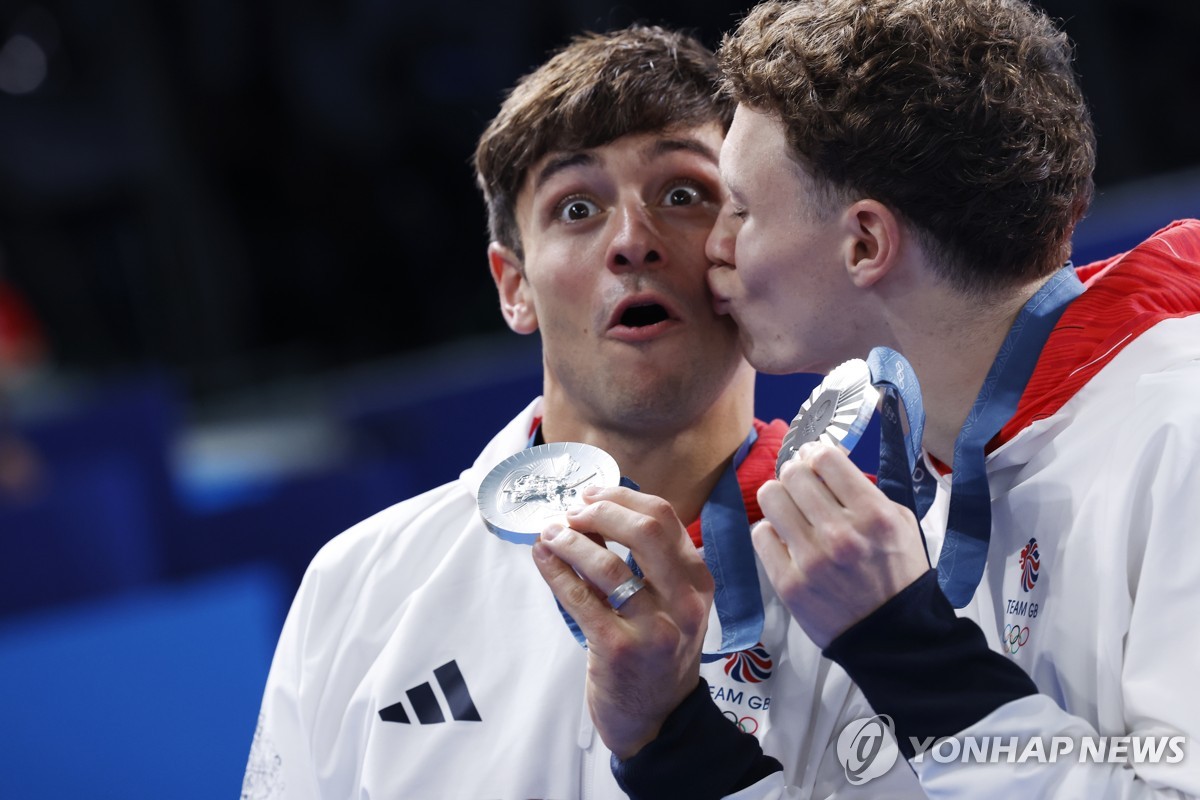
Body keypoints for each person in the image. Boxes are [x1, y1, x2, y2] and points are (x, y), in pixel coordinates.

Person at [536, 0, 1200, 797]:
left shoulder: (1180, 431)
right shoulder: (932, 496)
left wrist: (909, 652)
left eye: (741, 209)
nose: (713, 246)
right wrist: (671, 739)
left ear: (865, 244)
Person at [244, 25, 921, 799]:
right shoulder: (361, 586)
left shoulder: (883, 577)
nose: (633, 240)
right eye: (575, 208)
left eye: (682, 195)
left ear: (742, 245)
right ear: (514, 286)